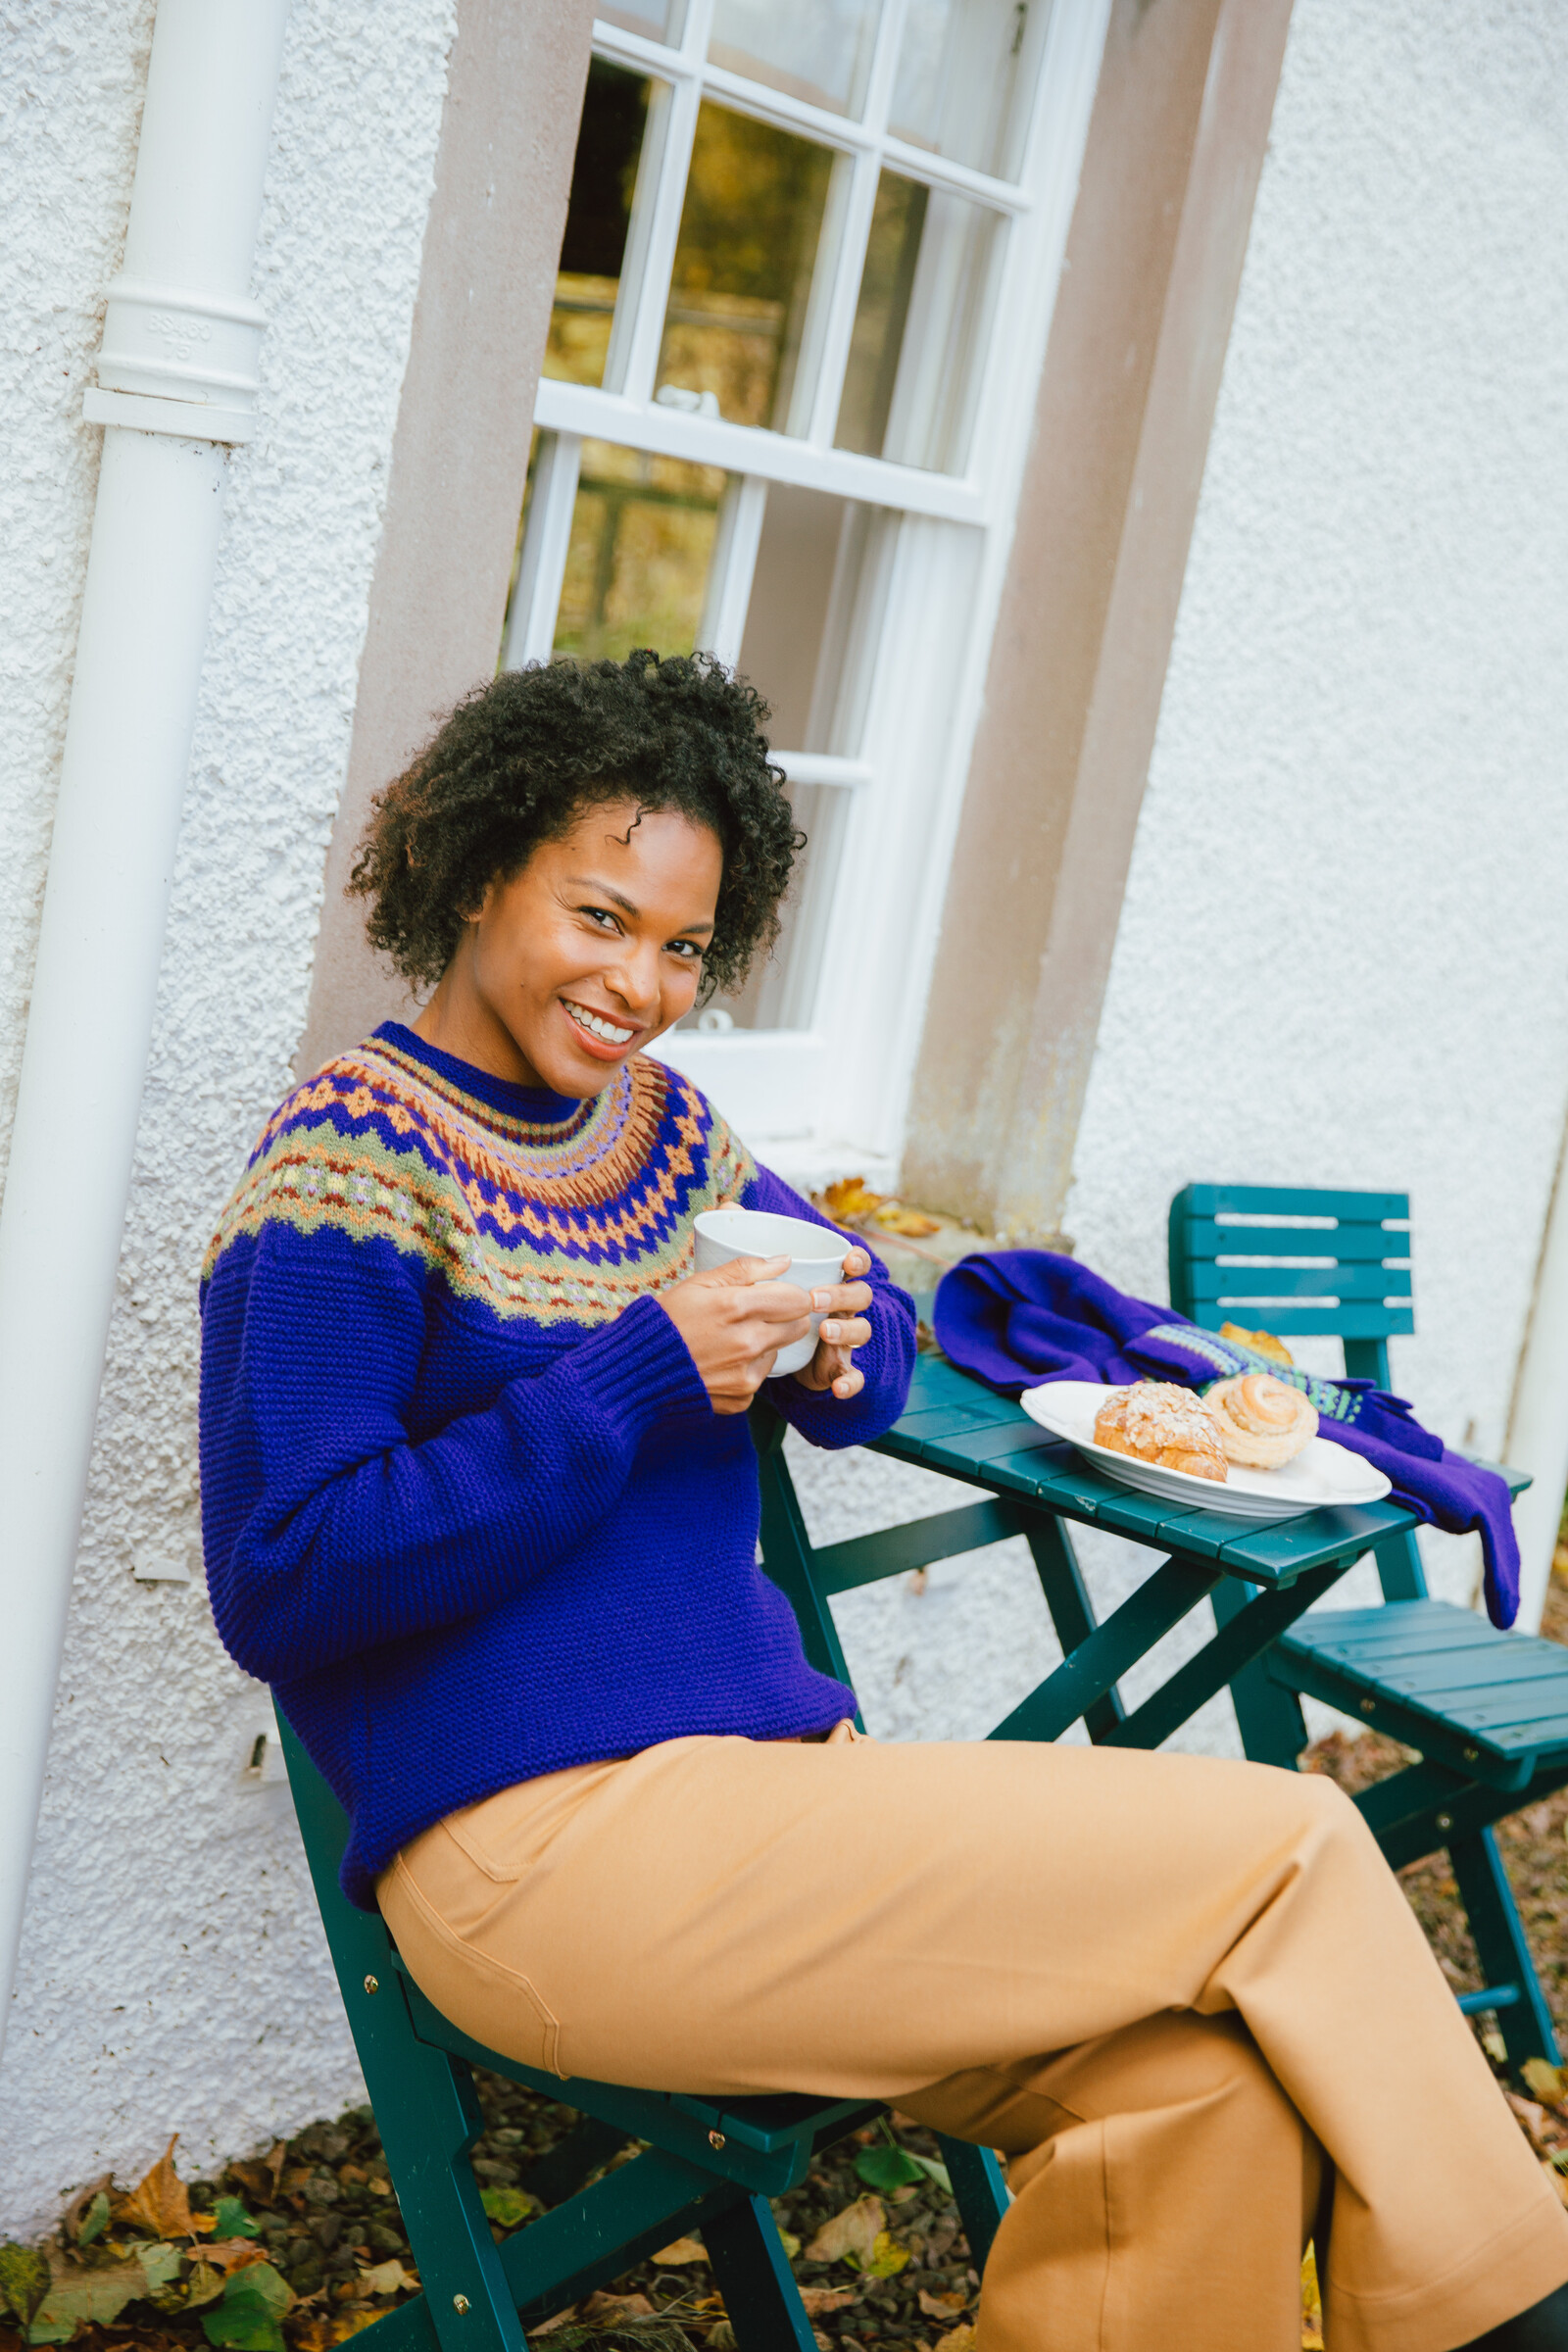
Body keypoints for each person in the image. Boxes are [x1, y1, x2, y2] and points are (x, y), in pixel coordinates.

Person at [200, 653, 1568, 2352]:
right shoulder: (346, 1161)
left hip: (775, 1808)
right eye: (601, 916)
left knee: (1207, 2093)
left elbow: (878, 1337)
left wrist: (842, 1340)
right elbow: (285, 1576)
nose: (641, 982)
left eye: (686, 947)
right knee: (1288, 1843)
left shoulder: (664, 1138)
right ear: (481, 875)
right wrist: (637, 1376)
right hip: (544, 1856)